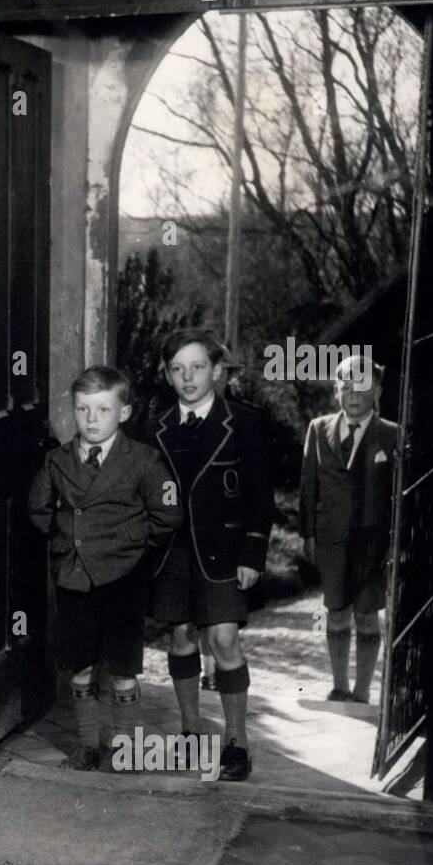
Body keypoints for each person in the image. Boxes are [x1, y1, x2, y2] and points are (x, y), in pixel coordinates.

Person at [28, 367, 181, 770]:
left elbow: (167, 513)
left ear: (124, 413)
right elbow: (38, 510)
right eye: (83, 409)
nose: (92, 419)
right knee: (79, 666)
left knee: (123, 668)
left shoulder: (145, 461)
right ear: (73, 411)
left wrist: (132, 548)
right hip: (74, 576)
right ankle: (88, 746)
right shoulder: (56, 461)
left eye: (103, 409)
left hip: (123, 578)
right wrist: (65, 544)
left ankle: (125, 747)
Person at [147, 328, 273, 781]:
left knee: (223, 641)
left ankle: (236, 741)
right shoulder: (155, 427)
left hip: (224, 552)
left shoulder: (243, 422)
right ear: (167, 375)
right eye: (177, 369)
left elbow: (261, 494)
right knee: (180, 637)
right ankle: (190, 732)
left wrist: (253, 554)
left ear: (216, 371)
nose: (188, 377)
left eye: (197, 367)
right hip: (172, 555)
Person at [299, 355, 397, 703]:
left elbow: (398, 496)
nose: (353, 394)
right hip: (332, 539)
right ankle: (339, 685)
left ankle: (362, 689)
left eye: (362, 386)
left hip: (374, 543)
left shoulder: (390, 435)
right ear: (336, 391)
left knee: (368, 617)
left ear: (377, 390)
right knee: (336, 613)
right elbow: (309, 485)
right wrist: (308, 533)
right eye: (345, 386)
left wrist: (396, 544)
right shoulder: (319, 428)